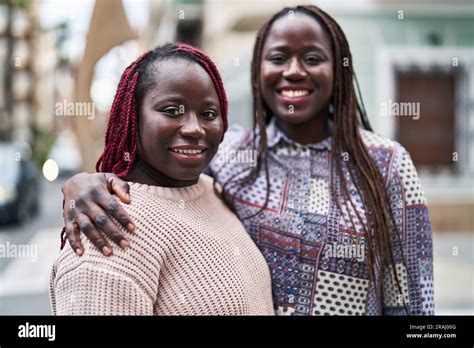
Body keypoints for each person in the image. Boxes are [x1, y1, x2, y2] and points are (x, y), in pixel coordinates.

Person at [59, 5, 434, 315]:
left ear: (339, 70)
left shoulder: (384, 164)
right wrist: (83, 183)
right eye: (278, 57)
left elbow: (413, 299)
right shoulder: (233, 155)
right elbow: (160, 179)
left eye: (313, 58)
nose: (294, 70)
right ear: (259, 72)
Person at [50, 43, 274, 315]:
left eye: (208, 114)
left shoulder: (212, 189)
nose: (194, 128)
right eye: (171, 111)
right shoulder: (107, 225)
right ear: (133, 117)